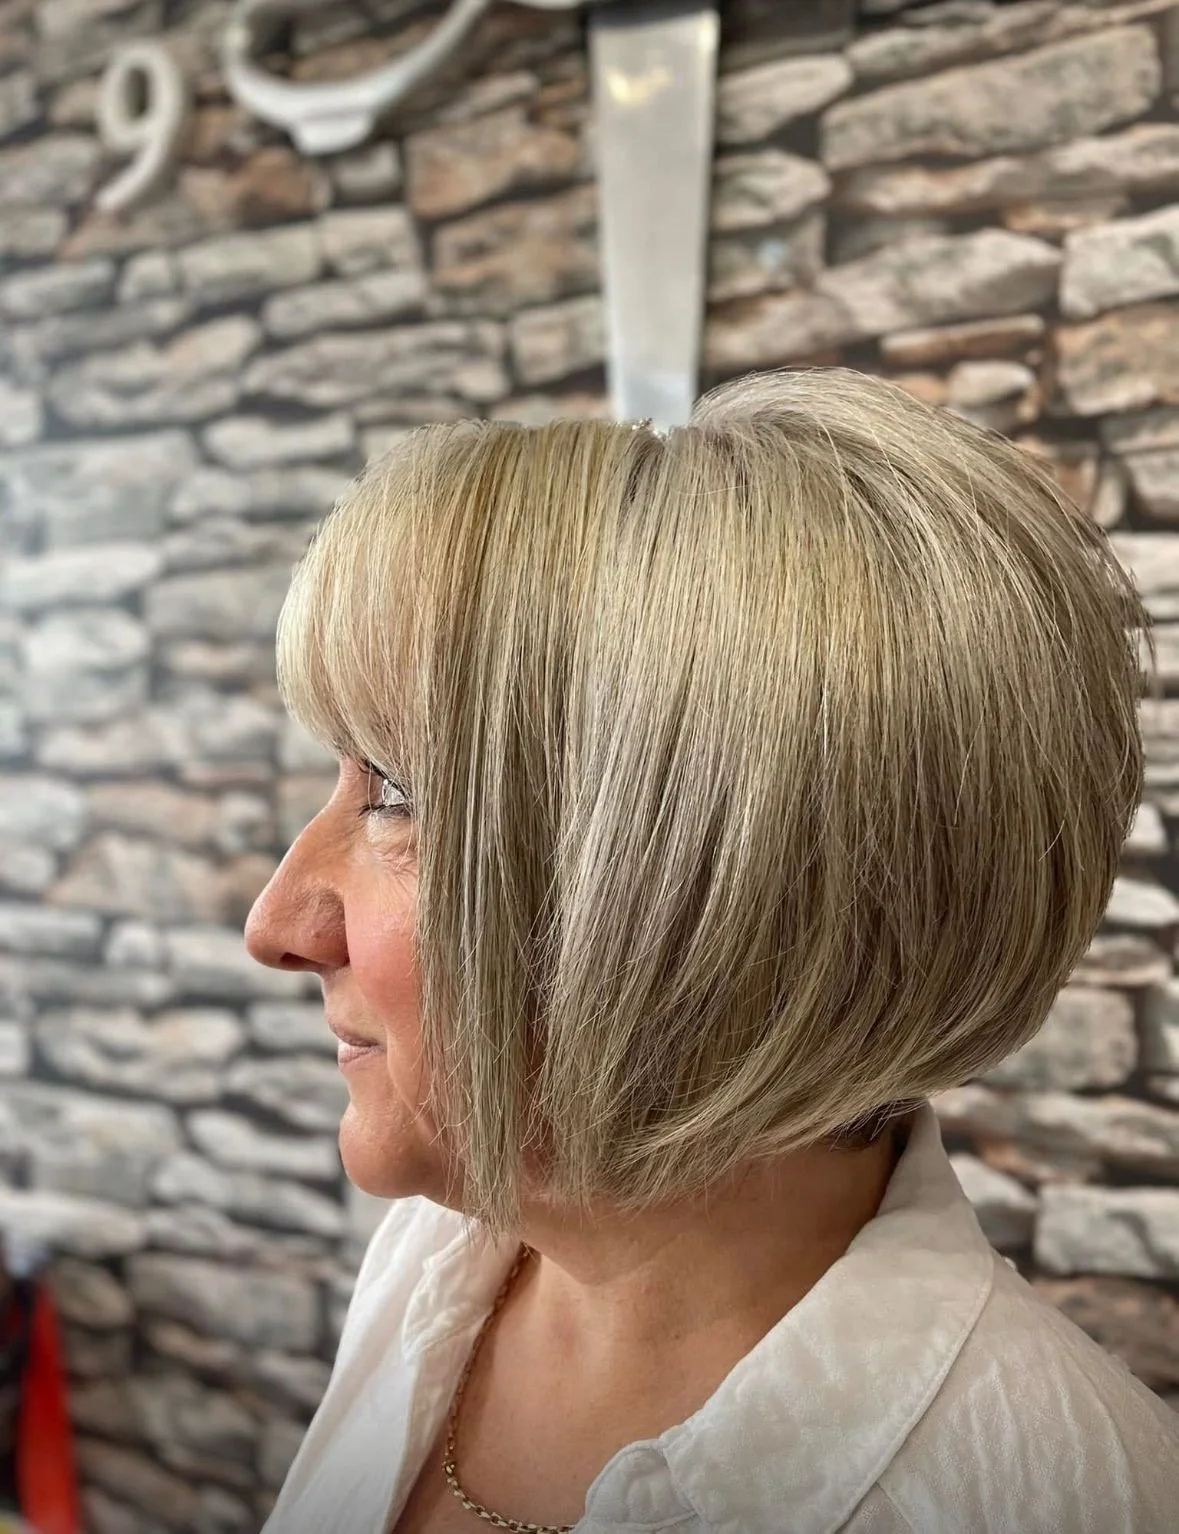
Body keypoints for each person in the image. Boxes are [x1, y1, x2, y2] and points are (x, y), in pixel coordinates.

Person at [244, 368, 1179, 1534]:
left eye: (398, 792)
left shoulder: (1055, 1499)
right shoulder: (437, 1261)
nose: (276, 924)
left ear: (714, 894)